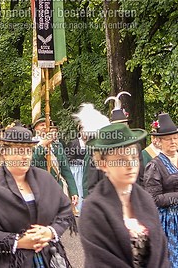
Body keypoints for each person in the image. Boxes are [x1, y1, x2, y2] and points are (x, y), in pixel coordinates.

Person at [0, 125, 76, 267]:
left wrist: (51, 231)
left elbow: (65, 210)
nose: (25, 156)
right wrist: (17, 241)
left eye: (28, 151)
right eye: (19, 151)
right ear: (5, 153)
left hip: (48, 257)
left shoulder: (45, 179)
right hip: (9, 261)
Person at [80, 122, 169, 267]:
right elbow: (102, 261)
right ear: (103, 164)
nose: (130, 165)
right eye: (121, 160)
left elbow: (161, 251)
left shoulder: (145, 199)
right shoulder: (93, 209)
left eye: (134, 158)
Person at [144, 113, 178, 266]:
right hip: (168, 221)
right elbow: (153, 199)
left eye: (175, 138)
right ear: (159, 141)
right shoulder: (155, 166)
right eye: (168, 139)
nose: (173, 141)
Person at [32, 117, 79, 208]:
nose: (45, 127)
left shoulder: (57, 145)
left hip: (58, 187)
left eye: (47, 124)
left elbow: (65, 170)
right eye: (42, 125)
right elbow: (32, 163)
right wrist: (42, 146)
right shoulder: (31, 145)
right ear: (35, 129)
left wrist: (74, 191)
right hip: (41, 189)